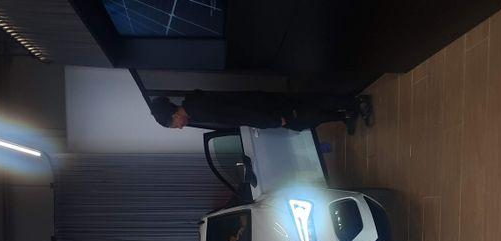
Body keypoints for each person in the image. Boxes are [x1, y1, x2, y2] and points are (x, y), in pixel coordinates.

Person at [149, 90, 374, 135]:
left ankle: (356, 102)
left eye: (174, 125)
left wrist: (271, 121)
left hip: (265, 108)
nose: (179, 127)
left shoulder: (200, 109)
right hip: (261, 104)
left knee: (308, 110)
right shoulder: (194, 105)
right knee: (303, 120)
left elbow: (239, 114)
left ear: (174, 115)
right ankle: (344, 115)